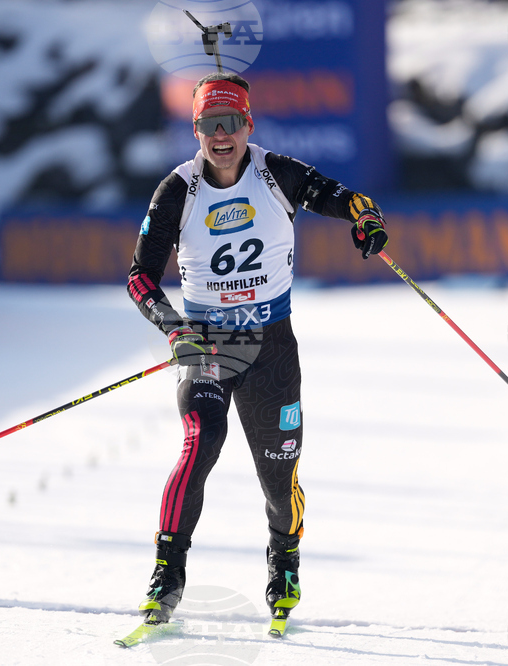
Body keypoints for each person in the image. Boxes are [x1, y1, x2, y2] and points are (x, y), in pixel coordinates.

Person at [125, 71, 388, 629]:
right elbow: (139, 278)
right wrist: (175, 329)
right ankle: (167, 574)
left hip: (271, 348)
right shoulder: (179, 189)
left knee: (278, 476)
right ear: (196, 130)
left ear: (248, 123)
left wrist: (365, 219)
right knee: (202, 441)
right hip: (210, 344)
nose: (221, 136)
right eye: (208, 126)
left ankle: (284, 558)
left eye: (231, 123)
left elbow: (345, 199)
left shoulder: (276, 173)